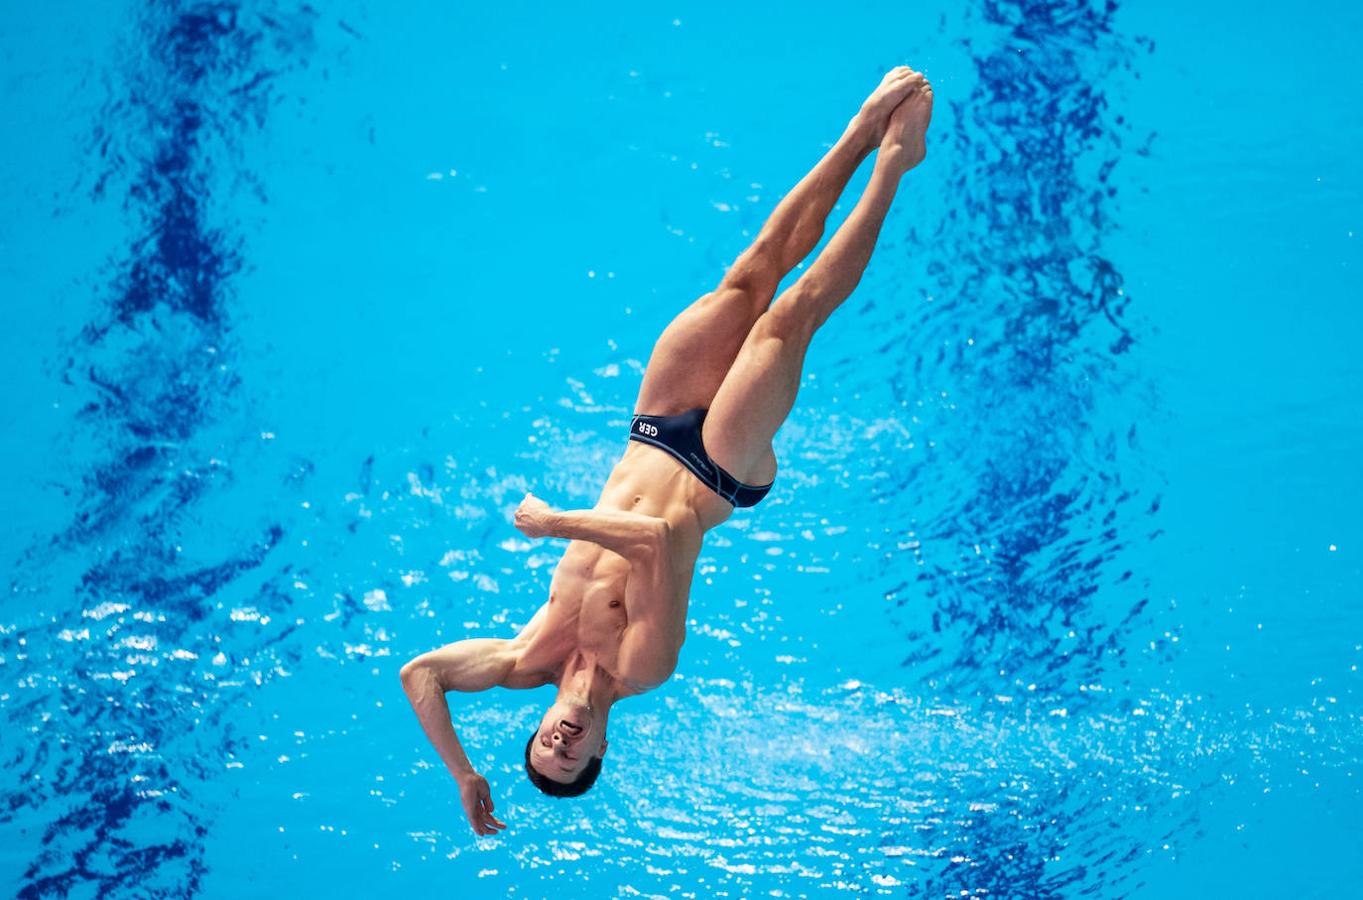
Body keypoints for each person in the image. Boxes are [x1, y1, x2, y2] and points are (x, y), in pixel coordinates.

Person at [399, 67, 934, 836]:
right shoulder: (643, 667)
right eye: (571, 761)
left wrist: (463, 773)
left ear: (535, 728)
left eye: (542, 750)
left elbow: (420, 675)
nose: (559, 745)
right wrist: (558, 527)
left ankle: (857, 133)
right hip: (718, 468)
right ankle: (891, 167)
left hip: (653, 431)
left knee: (749, 275)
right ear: (599, 754)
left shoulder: (522, 657)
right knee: (790, 315)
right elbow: (656, 540)